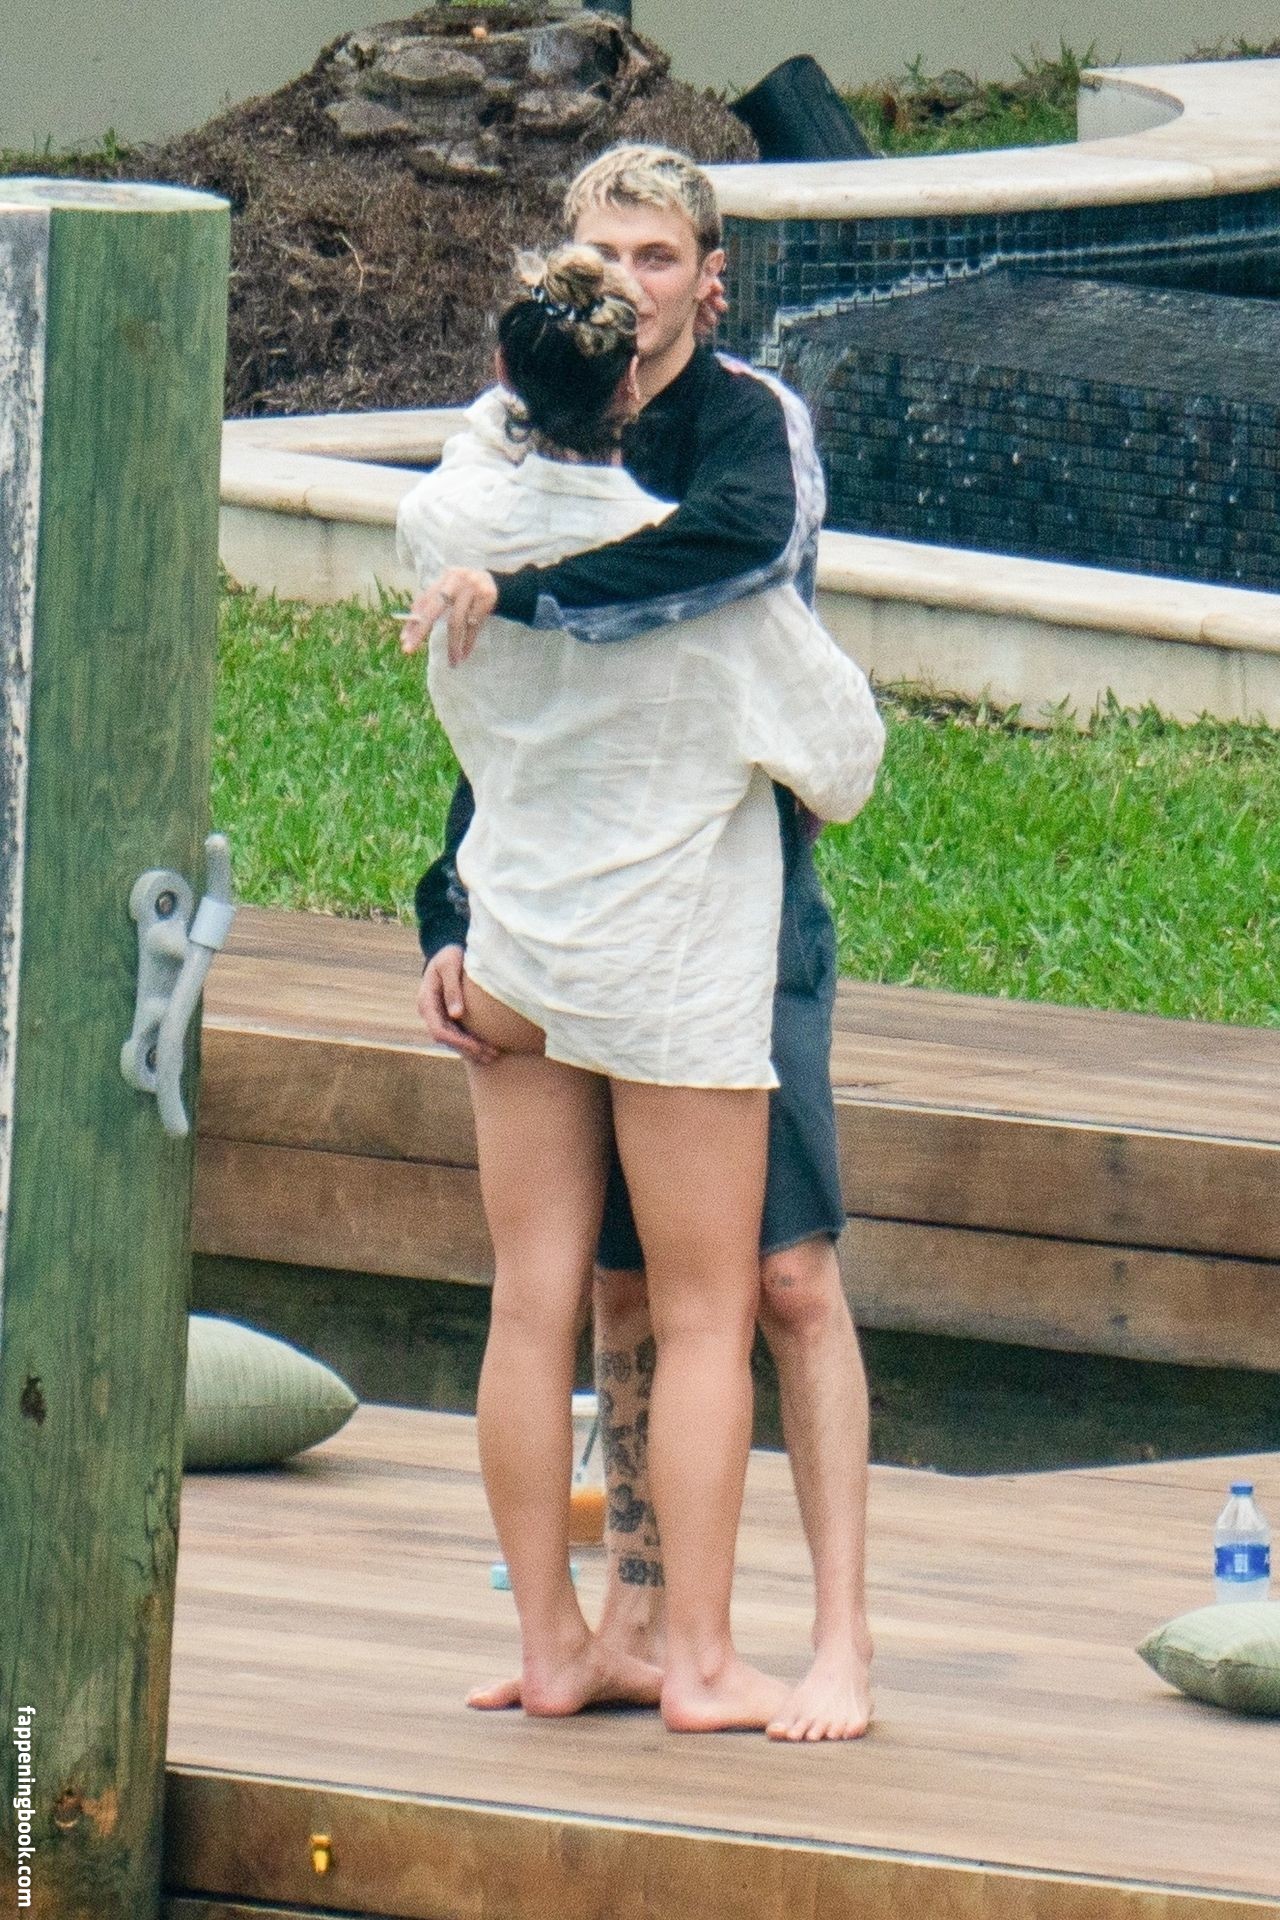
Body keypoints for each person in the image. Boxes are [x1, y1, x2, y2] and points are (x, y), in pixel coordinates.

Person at [410, 146, 877, 1742]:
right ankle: (691, 1656)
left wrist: (527, 592)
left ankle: (567, 1641)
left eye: (656, 255)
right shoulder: (725, 609)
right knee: (694, 1314)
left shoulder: (447, 529)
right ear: (614, 374)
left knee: (537, 1301)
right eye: (604, 260)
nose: (630, 279)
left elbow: (492, 729)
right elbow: (844, 761)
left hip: (531, 957)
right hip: (673, 967)